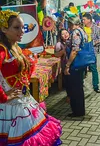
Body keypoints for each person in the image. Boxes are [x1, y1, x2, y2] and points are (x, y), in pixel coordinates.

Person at [0, 10, 62, 145]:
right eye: (17, 28)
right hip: (11, 107)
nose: (22, 31)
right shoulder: (2, 49)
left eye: (22, 27)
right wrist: (3, 96)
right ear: (4, 29)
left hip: (23, 100)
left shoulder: (14, 47)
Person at [64, 16, 88, 119]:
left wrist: (67, 65)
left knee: (75, 88)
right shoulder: (82, 31)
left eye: (69, 24)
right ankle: (80, 110)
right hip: (81, 63)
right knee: (79, 88)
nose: (68, 26)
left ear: (72, 24)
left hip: (76, 64)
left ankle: (77, 111)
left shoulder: (76, 33)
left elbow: (74, 51)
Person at [83, 13, 100, 93]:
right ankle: (81, 84)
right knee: (82, 69)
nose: (83, 21)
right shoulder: (82, 28)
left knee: (94, 69)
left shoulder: (96, 28)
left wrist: (94, 43)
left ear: (89, 20)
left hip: (92, 52)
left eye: (84, 19)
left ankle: (96, 86)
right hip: (83, 52)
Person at [54, 29, 69, 100]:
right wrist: (63, 51)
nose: (65, 34)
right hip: (65, 64)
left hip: (73, 64)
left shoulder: (71, 41)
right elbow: (56, 54)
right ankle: (69, 96)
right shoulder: (59, 44)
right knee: (68, 81)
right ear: (60, 36)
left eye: (66, 32)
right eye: (63, 34)